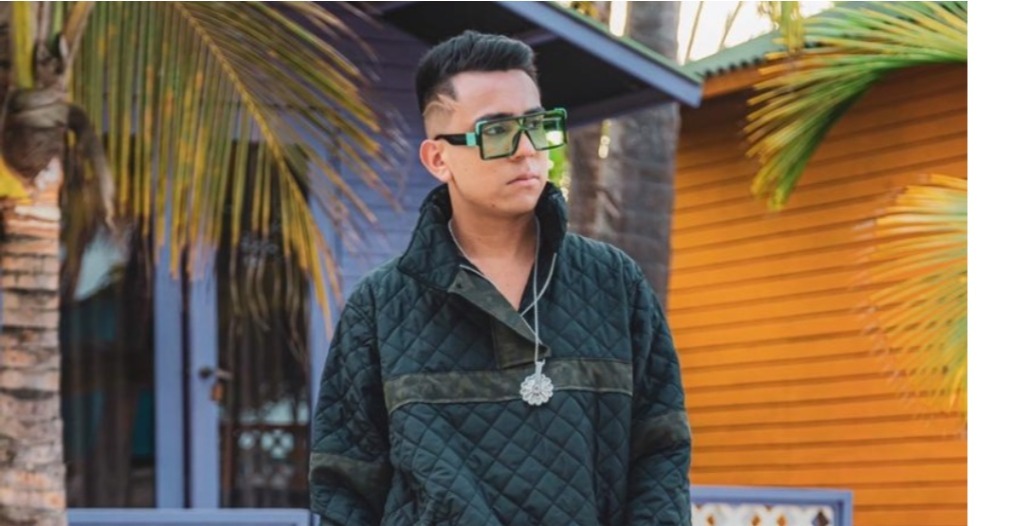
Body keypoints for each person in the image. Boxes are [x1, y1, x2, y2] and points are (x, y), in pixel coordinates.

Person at [309, 30, 691, 525]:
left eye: (536, 125)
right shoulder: (381, 306)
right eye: (496, 132)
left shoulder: (615, 283)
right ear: (438, 159)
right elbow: (344, 486)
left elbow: (661, 452)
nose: (526, 149)